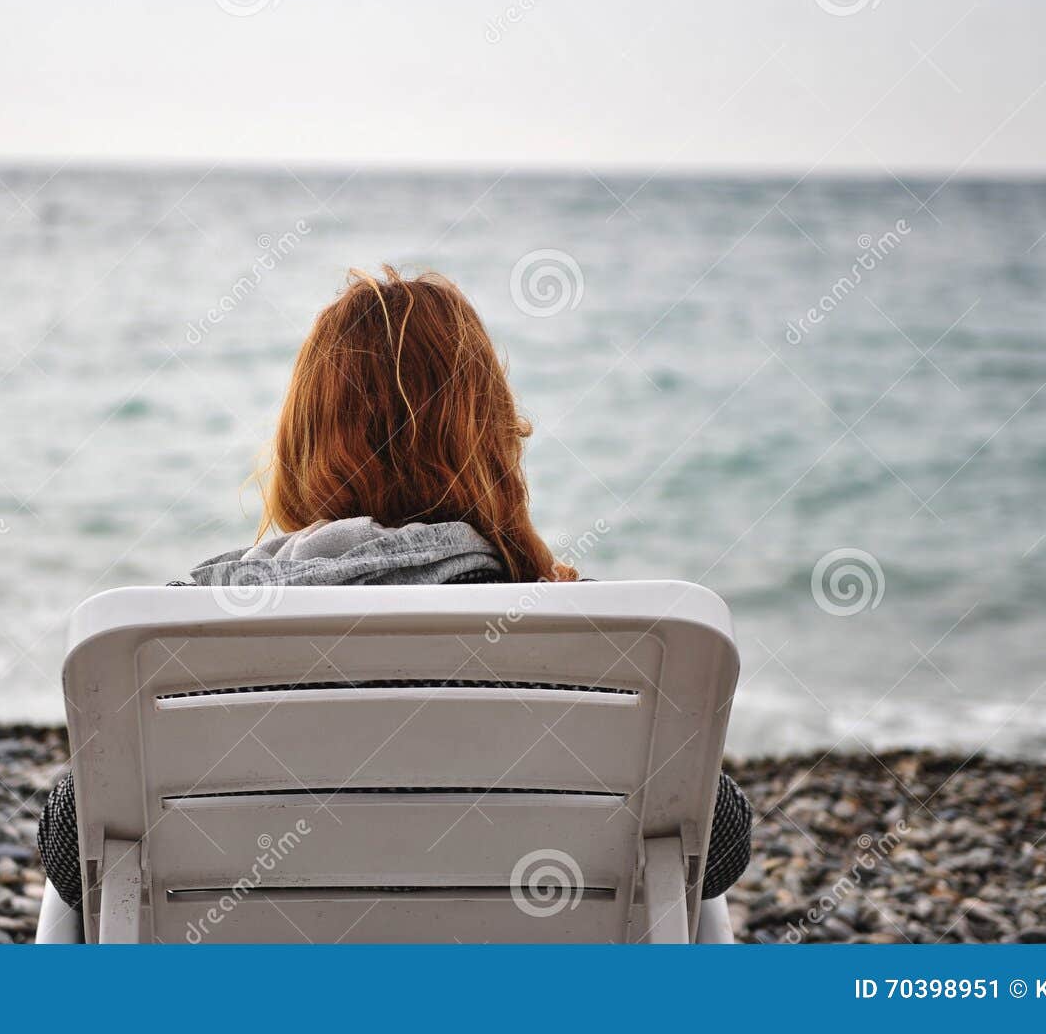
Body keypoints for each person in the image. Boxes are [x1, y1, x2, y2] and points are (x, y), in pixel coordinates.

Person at [37, 266, 751, 911]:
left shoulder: (194, 624)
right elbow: (716, 847)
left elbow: (76, 853)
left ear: (303, 443)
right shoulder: (586, 638)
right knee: (677, 868)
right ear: (490, 438)